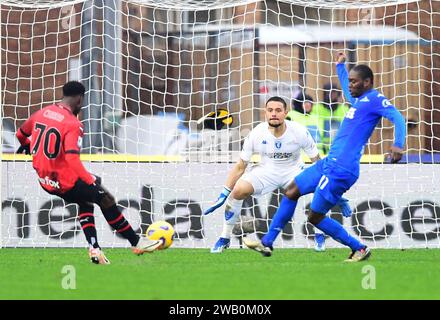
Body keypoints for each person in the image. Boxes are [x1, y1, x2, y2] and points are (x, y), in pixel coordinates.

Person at [243, 52, 406, 262]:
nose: (351, 86)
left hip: (342, 169)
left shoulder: (375, 99)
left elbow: (398, 118)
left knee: (315, 216)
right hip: (329, 163)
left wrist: (398, 144)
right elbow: (348, 90)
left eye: (355, 82)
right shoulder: (359, 100)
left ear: (367, 82)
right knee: (291, 190)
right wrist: (340, 67)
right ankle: (267, 243)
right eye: (351, 81)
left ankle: (359, 248)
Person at [15, 81, 161, 264]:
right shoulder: (72, 124)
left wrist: (28, 146)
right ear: (79, 99)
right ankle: (137, 242)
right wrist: (89, 179)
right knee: (105, 198)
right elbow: (72, 159)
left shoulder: (41, 113)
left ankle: (95, 249)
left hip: (45, 181)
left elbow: (20, 134)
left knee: (86, 200)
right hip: (65, 181)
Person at [204, 96, 352, 253]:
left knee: (318, 188)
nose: (274, 113)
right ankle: (224, 238)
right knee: (238, 190)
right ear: (265, 113)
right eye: (270, 110)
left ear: (285, 112)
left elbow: (317, 163)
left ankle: (319, 236)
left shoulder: (299, 131)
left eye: (278, 110)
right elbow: (241, 166)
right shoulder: (256, 133)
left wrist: (335, 194)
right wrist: (224, 193)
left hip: (293, 171)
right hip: (266, 170)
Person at [311, 83, 349, 154]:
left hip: (338, 148)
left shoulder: (344, 109)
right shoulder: (316, 109)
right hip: (320, 149)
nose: (332, 95)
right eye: (329, 92)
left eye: (334, 93)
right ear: (325, 93)